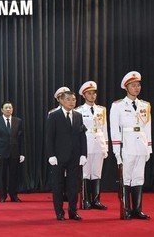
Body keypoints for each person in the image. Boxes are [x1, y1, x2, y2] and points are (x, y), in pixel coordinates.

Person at [110, 71, 151, 220]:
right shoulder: (118, 106)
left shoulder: (145, 105)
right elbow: (115, 130)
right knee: (126, 178)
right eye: (133, 85)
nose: (137, 88)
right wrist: (116, 151)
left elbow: (147, 127)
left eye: (138, 85)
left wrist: (149, 148)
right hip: (126, 146)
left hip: (141, 145)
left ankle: (137, 209)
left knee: (139, 177)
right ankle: (126, 209)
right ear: (126, 87)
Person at [46, 90, 87, 221]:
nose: (71, 102)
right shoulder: (54, 116)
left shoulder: (78, 116)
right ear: (61, 100)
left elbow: (82, 136)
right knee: (58, 185)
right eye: (68, 99)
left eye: (74, 99)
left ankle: (73, 211)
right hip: (58, 157)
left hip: (74, 157)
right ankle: (59, 212)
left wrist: (83, 154)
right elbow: (49, 137)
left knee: (73, 185)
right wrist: (51, 155)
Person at [76, 80, 109, 210]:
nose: (92, 96)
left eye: (94, 93)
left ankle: (95, 200)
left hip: (99, 143)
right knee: (85, 173)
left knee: (96, 173)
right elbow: (78, 131)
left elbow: (105, 129)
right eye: (89, 93)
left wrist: (106, 146)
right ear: (84, 95)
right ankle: (85, 201)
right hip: (86, 143)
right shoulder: (79, 110)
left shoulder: (101, 110)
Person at [0, 101, 24, 202]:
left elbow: (21, 139)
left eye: (10, 107)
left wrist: (22, 153)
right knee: (2, 176)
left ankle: (14, 196)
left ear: (12, 109)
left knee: (14, 175)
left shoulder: (18, 121)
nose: (8, 109)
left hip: (15, 152)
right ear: (2, 110)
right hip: (2, 152)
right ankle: (2, 196)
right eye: (6, 108)